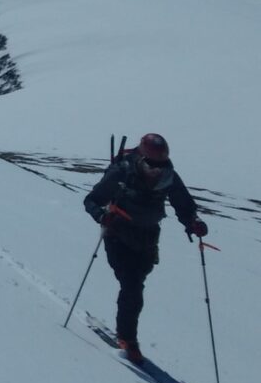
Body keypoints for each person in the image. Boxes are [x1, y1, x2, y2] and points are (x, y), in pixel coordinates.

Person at [81, 132, 207, 364]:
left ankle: (126, 335)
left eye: (161, 164)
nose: (157, 169)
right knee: (132, 287)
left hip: (148, 239)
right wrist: (101, 216)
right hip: (118, 235)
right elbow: (92, 200)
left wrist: (193, 222)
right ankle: (128, 340)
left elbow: (183, 203)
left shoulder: (169, 176)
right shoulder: (122, 172)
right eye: (152, 164)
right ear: (141, 157)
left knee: (136, 283)